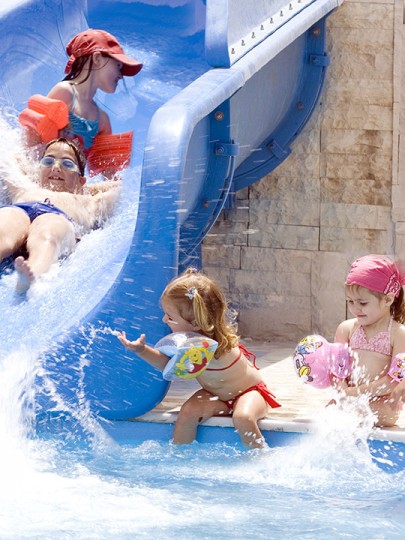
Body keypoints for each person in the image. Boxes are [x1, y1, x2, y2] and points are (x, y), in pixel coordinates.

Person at [117, 268, 281, 448]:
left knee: (243, 418)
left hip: (250, 393)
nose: (164, 320)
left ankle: (260, 457)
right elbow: (169, 365)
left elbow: (170, 366)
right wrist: (141, 349)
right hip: (216, 397)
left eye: (170, 317)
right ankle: (179, 454)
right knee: (187, 413)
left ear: (195, 323)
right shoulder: (193, 344)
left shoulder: (211, 347)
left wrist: (143, 350)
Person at [0, 137, 121, 293]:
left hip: (58, 218)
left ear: (81, 180)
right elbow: (7, 157)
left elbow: (124, 187)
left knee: (49, 227)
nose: (56, 167)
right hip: (21, 210)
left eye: (67, 164)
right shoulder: (25, 187)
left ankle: (32, 272)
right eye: (48, 162)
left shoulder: (90, 202)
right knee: (8, 217)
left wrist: (85, 189)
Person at [333, 254, 405, 427]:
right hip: (350, 398)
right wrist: (342, 390)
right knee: (330, 412)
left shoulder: (398, 334)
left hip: (382, 403)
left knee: (366, 412)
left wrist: (352, 393)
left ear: (388, 299)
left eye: (363, 303)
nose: (355, 308)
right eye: (350, 301)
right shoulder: (346, 329)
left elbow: (393, 381)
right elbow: (336, 370)